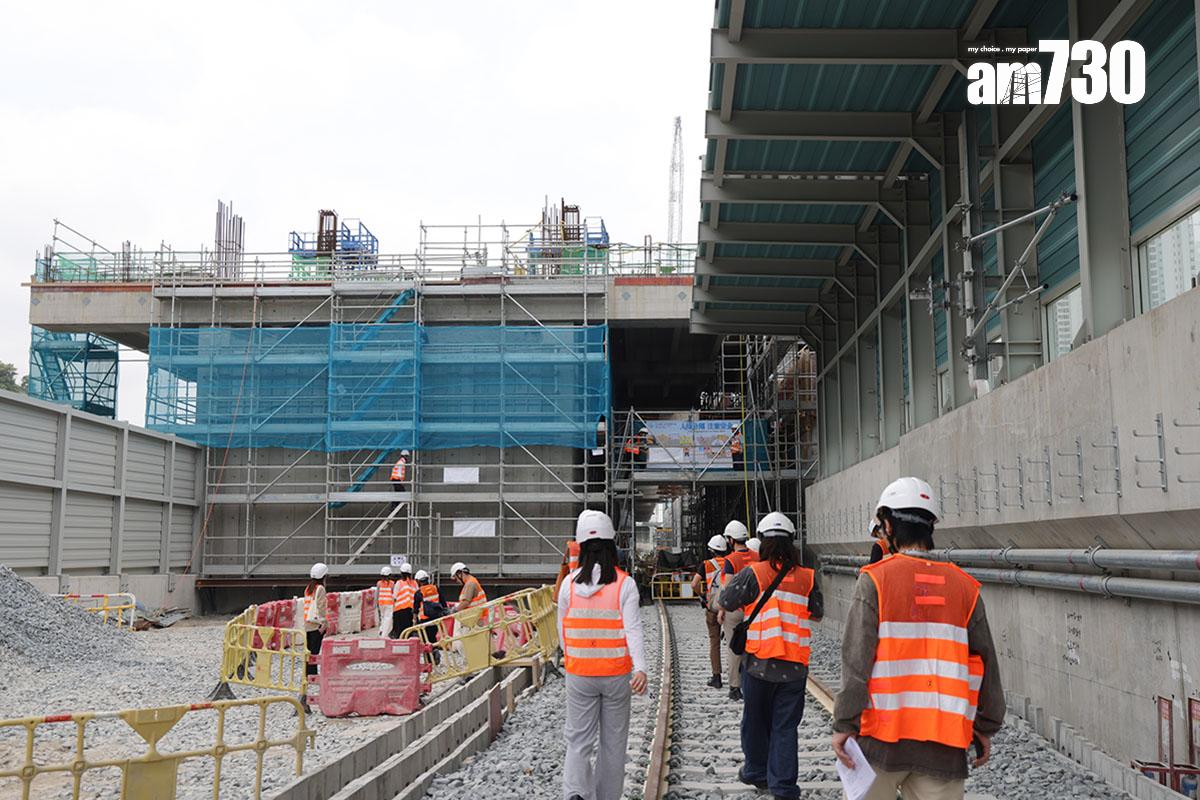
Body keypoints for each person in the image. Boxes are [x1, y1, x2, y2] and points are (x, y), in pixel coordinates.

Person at [832, 477, 1005, 800]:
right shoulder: (965, 588)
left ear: (887, 525)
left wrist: (844, 723)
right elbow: (987, 664)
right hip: (944, 747)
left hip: (880, 741)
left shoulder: (875, 581)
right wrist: (985, 725)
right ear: (931, 527)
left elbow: (856, 662)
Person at [718, 512, 822, 800]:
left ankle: (756, 771)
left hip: (759, 665)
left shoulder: (755, 573)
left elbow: (725, 600)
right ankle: (784, 788)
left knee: (754, 722)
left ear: (762, 542)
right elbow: (817, 613)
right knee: (785, 728)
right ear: (792, 542)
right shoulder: (807, 577)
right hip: (795, 667)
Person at [558, 509, 647, 800]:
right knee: (613, 745)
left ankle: (576, 793)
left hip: (579, 675)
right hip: (616, 676)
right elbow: (633, 629)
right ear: (612, 545)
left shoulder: (568, 585)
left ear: (581, 548)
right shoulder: (624, 584)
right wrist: (640, 668)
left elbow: (562, 631)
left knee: (578, 740)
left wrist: (573, 659)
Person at [690, 533, 729, 689]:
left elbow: (694, 584)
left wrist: (703, 596)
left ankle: (716, 677)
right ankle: (737, 678)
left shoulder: (706, 565)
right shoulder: (731, 562)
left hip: (713, 606)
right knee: (733, 641)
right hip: (729, 606)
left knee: (715, 642)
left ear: (711, 550)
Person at [720, 519, 753, 701]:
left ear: (731, 540)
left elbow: (728, 588)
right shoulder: (757, 556)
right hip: (754, 610)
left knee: (733, 647)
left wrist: (722, 610)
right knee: (753, 647)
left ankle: (734, 687)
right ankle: (752, 682)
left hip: (735, 610)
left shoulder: (730, 560)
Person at [303, 562, 330, 676]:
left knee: (309, 651)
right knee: (314, 651)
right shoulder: (320, 589)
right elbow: (321, 607)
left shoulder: (308, 588)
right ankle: (312, 674)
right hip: (316, 624)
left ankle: (307, 674)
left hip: (307, 624)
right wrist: (324, 624)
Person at [392, 562, 417, 637]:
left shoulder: (399, 583)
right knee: (408, 632)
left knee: (400, 632)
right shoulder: (415, 583)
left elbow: (395, 597)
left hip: (399, 610)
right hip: (411, 611)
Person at [376, 565, 395, 638]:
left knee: (383, 618)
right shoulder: (392, 583)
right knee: (388, 619)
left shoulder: (379, 583)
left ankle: (381, 631)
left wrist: (376, 603)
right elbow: (393, 594)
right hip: (389, 604)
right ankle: (384, 634)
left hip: (381, 604)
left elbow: (377, 594)